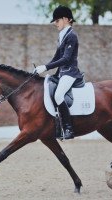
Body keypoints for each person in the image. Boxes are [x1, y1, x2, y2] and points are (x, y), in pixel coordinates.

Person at [34, 5, 83, 139]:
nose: (55, 24)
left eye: (57, 21)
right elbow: (56, 57)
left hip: (70, 72)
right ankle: (56, 125)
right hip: (61, 73)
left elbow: (66, 59)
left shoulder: (71, 35)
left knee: (58, 95)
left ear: (66, 19)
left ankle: (68, 129)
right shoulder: (62, 35)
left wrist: (46, 67)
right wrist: (43, 67)